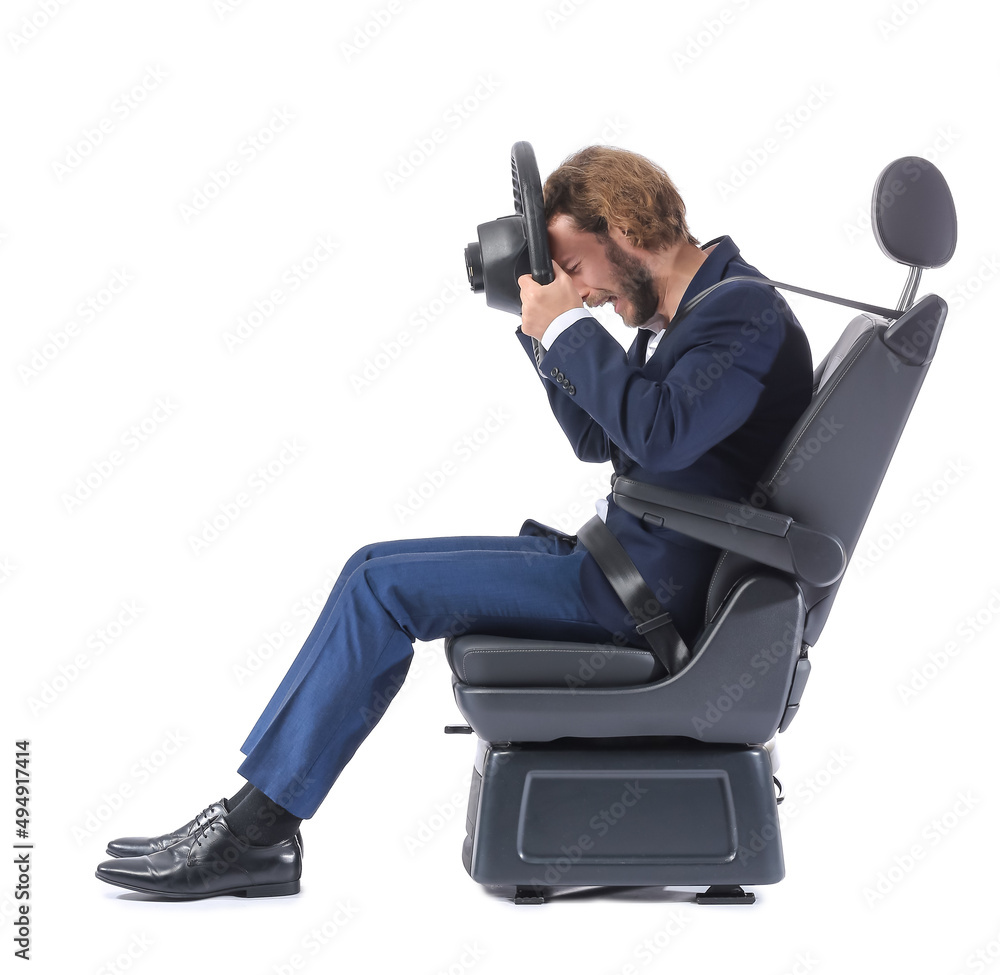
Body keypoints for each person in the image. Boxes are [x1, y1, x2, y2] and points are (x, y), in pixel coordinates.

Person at [94, 145, 813, 899]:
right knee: (373, 568)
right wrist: (541, 329)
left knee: (380, 586)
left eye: (573, 268)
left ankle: (255, 833)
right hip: (628, 570)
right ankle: (255, 821)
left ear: (627, 225)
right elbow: (598, 436)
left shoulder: (741, 311)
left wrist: (567, 327)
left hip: (641, 596)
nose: (581, 292)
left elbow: (657, 432)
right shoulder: (700, 311)